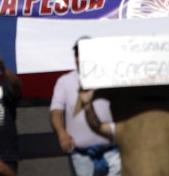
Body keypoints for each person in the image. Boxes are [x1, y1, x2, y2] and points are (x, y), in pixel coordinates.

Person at [50, 38, 121, 175]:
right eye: (77, 54)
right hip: (81, 156)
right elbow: (56, 111)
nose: (80, 58)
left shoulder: (112, 77)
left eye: (85, 53)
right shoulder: (64, 81)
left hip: (112, 153)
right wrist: (61, 134)